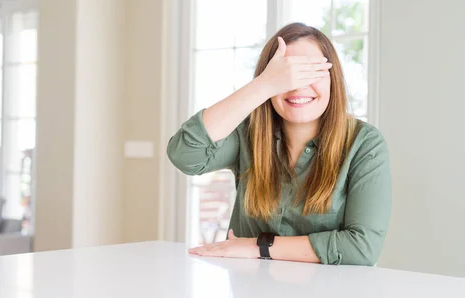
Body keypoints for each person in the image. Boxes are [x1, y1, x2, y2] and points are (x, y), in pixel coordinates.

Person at [167, 23, 391, 266]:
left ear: (332, 78)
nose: (297, 86)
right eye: (285, 76)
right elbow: (185, 154)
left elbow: (361, 248)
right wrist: (262, 87)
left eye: (310, 72)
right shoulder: (247, 134)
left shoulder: (365, 143)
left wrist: (257, 247)